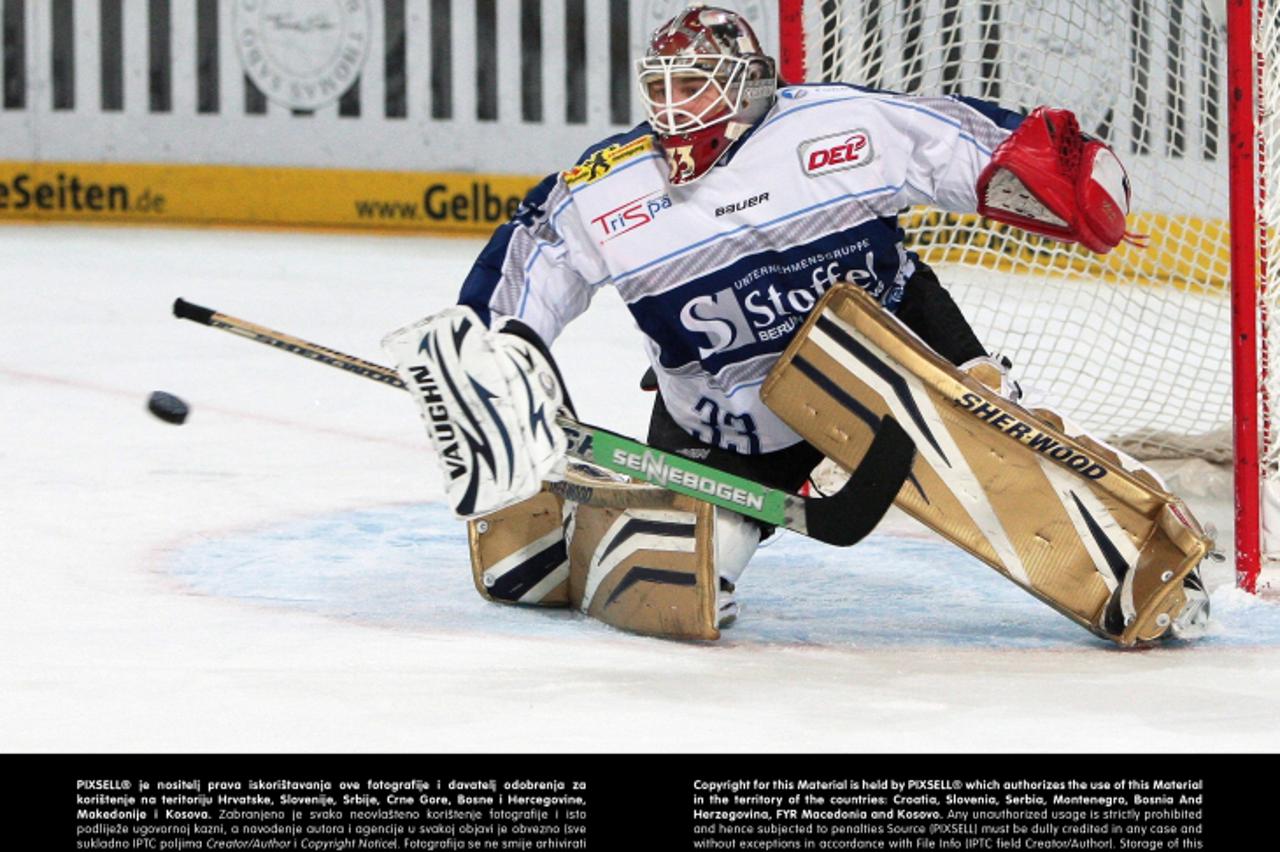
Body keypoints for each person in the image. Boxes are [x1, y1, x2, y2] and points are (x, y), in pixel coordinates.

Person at [394, 4, 1208, 638]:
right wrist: (490, 341)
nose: (675, 107)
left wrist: (1035, 161)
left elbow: (948, 140)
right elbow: (538, 253)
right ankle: (577, 538)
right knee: (676, 578)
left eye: (696, 83)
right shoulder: (610, 185)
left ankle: (1139, 559)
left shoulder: (832, 126)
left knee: (983, 438)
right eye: (663, 87)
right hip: (729, 412)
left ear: (746, 84)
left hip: (888, 354)